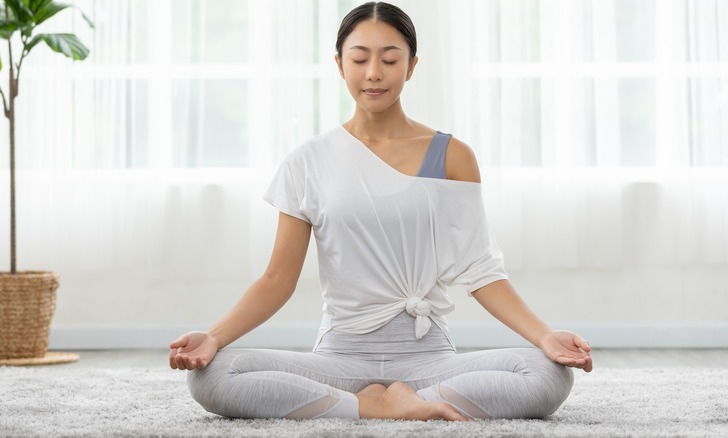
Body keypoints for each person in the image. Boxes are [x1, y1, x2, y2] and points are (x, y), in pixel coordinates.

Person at [169, 1, 592, 421]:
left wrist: (545, 336)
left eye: (390, 60)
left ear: (410, 66)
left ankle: (387, 402)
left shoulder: (451, 156)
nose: (374, 72)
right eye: (359, 58)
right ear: (340, 65)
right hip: (340, 360)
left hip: (429, 361)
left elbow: (481, 271)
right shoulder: (309, 160)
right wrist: (213, 337)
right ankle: (375, 405)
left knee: (545, 373)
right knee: (215, 374)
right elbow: (277, 279)